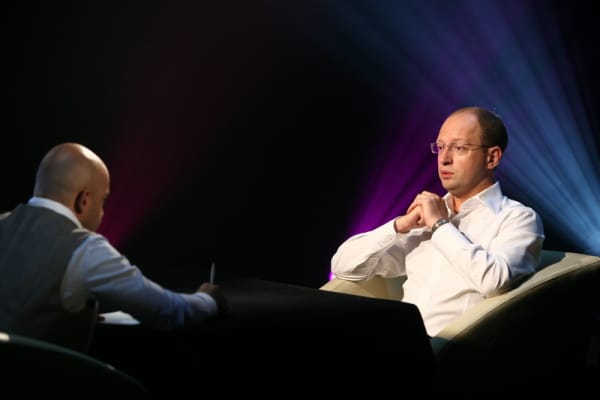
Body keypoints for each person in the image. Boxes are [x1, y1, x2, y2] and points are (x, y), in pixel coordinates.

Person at [330, 106, 545, 337]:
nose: (444, 159)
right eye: (441, 147)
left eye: (459, 148)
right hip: (398, 340)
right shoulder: (426, 215)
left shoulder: (517, 218)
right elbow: (343, 266)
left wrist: (440, 226)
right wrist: (398, 225)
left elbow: (495, 281)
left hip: (454, 349)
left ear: (492, 157)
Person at [0, 142, 228, 352]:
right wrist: (208, 300)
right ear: (84, 201)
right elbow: (165, 310)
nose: (102, 213)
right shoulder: (86, 249)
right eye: (103, 201)